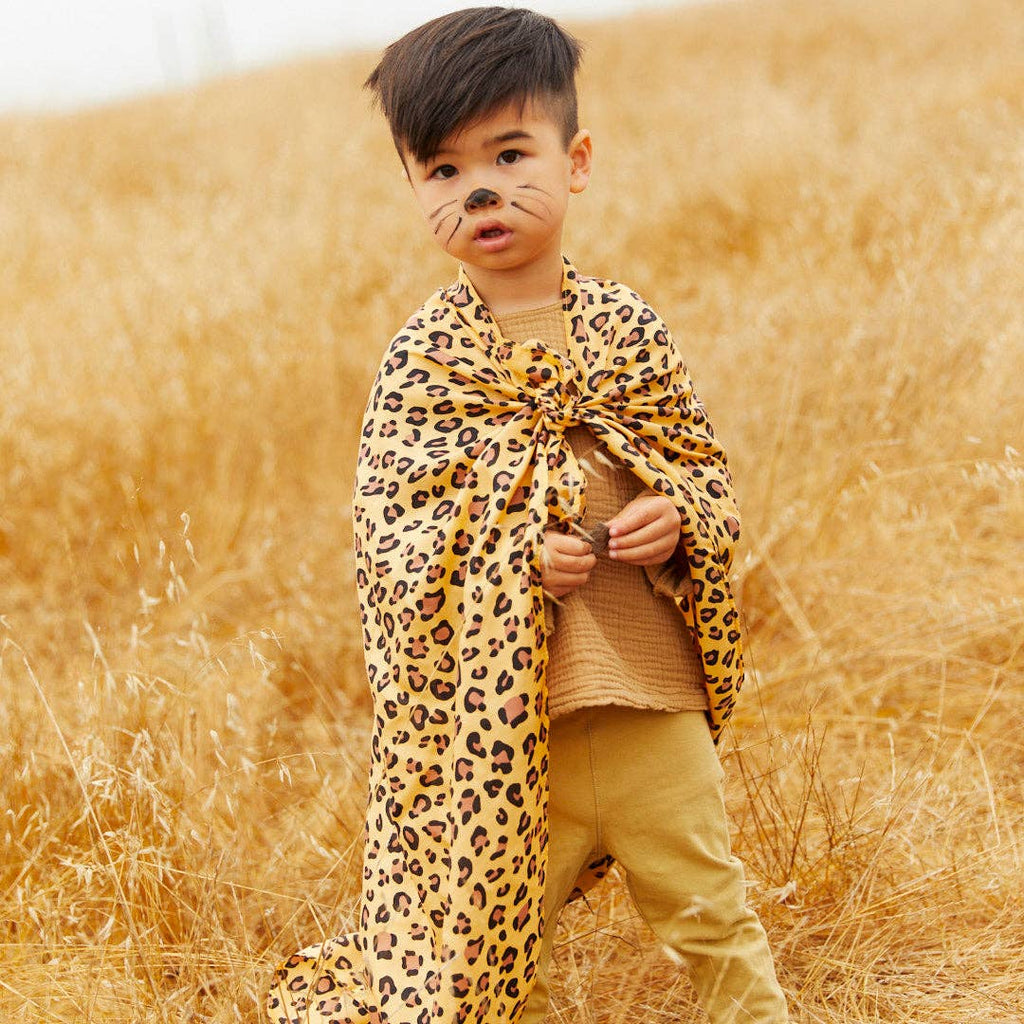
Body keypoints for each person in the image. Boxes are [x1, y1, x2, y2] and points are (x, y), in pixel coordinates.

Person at [268, 7, 788, 1024]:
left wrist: (674, 514)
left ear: (576, 159)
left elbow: (698, 465)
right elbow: (394, 540)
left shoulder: (627, 328)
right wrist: (510, 556)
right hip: (507, 726)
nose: (482, 191)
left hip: (648, 701)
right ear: (414, 188)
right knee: (480, 959)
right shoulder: (423, 360)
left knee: (715, 920)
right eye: (445, 170)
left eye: (510, 153)